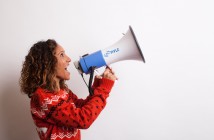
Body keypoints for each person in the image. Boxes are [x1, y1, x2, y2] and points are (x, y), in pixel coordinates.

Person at [19, 39, 117, 140]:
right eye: (62, 55)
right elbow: (83, 119)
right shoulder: (43, 97)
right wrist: (104, 88)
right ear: (47, 63)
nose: (69, 59)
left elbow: (82, 107)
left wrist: (98, 84)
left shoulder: (63, 91)